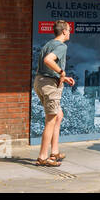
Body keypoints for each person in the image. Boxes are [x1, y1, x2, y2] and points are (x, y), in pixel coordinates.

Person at [34, 20, 75, 167]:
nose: (70, 32)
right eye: (69, 30)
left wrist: (63, 77)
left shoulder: (49, 44)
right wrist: (61, 72)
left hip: (40, 82)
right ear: (64, 31)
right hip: (49, 85)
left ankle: (55, 152)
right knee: (50, 121)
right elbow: (48, 60)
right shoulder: (61, 46)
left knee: (58, 115)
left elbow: (47, 64)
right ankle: (43, 157)